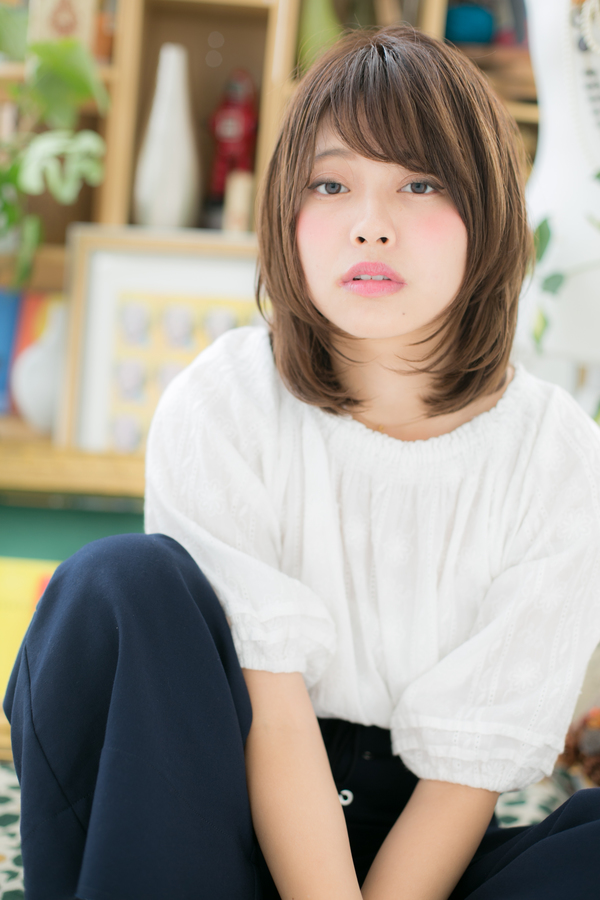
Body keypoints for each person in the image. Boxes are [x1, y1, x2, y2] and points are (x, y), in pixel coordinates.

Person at [5, 25, 600, 900]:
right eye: (331, 183)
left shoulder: (557, 454)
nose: (371, 226)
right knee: (117, 583)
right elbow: (275, 719)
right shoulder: (225, 401)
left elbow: (464, 778)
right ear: (287, 211)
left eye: (420, 184)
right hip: (209, 813)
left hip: (425, 858)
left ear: (488, 213)